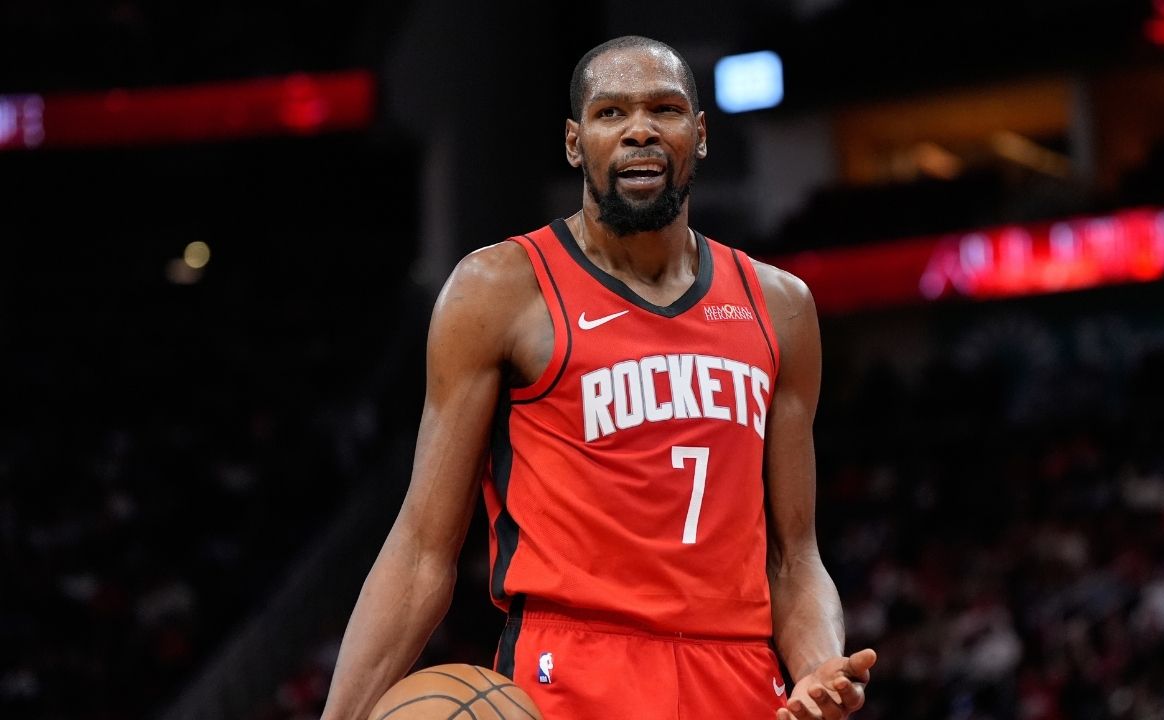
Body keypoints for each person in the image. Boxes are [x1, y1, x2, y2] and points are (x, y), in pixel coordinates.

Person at [319, 35, 876, 720]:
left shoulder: (781, 307)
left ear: (700, 135)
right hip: (573, 672)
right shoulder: (501, 290)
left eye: (665, 109)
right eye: (611, 112)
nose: (640, 129)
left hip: (739, 677)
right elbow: (422, 551)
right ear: (574, 142)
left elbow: (796, 559)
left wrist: (817, 667)